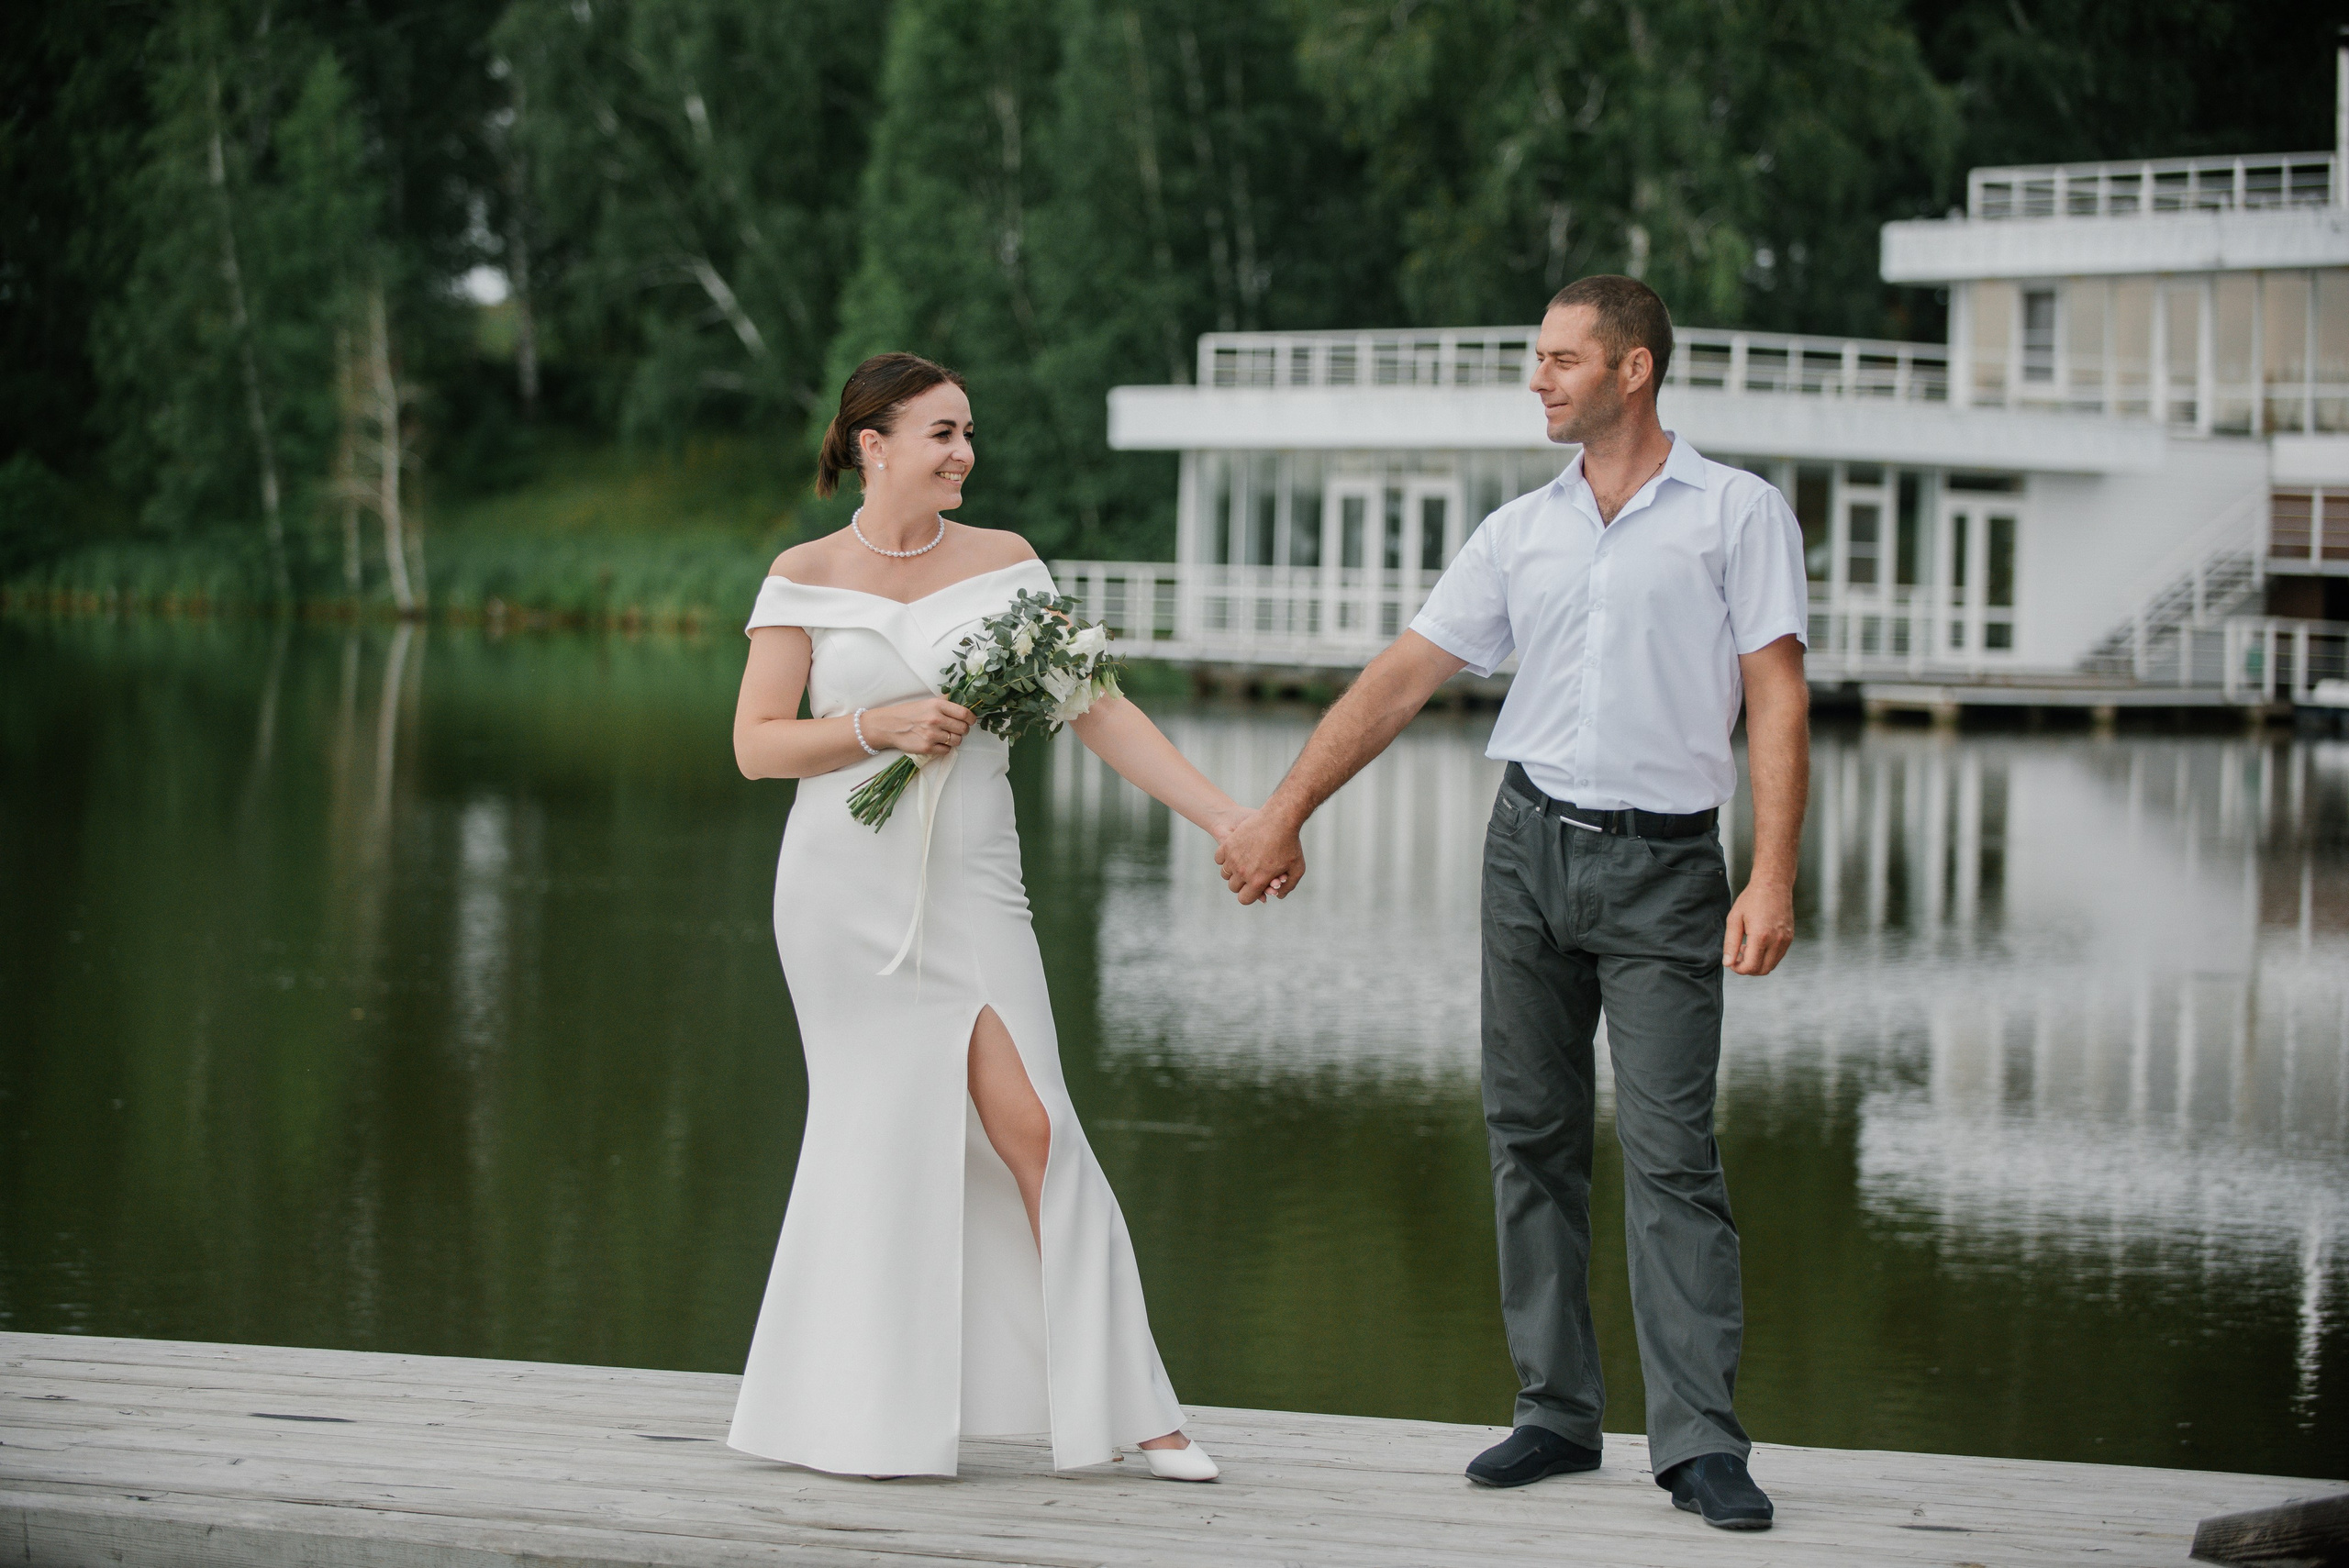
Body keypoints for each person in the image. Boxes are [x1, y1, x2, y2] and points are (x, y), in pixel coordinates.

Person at [1215, 276, 1809, 1531]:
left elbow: (1776, 694)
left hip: (1667, 869)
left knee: (1672, 1154)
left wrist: (1771, 874)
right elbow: (1401, 678)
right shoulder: (1519, 530)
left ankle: (1701, 1443)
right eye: (1538, 358)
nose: (1538, 378)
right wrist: (1283, 811)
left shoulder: (1737, 514)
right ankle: (1556, 1411)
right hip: (1527, 848)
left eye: (1561, 358)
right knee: (1529, 1132)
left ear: (1633, 369)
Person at [728, 351, 1244, 1482]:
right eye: (943, 433)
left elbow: (1097, 709)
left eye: (968, 432)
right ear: (872, 445)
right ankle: (857, 1413)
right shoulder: (803, 575)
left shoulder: (1007, 563)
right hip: (841, 898)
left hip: (975, 887)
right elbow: (756, 745)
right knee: (873, 1135)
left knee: (1036, 1126)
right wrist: (876, 726)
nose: (965, 452)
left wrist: (1223, 816)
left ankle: (1137, 1409)